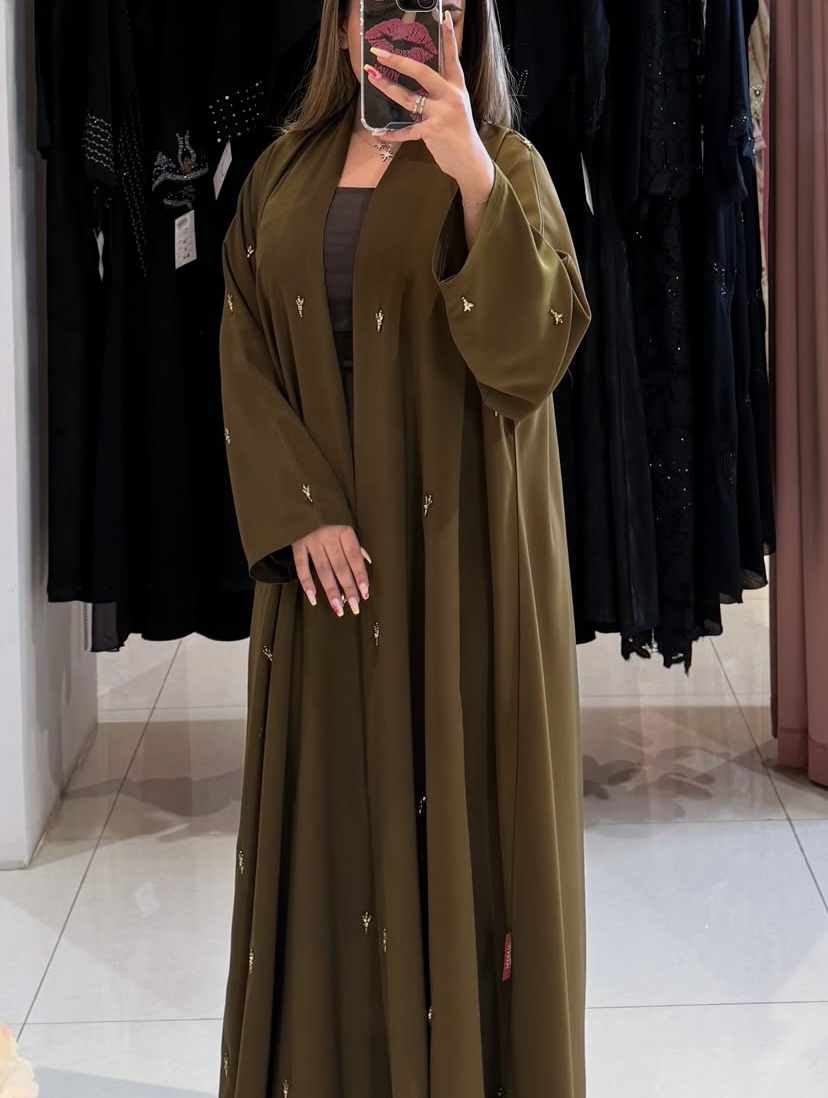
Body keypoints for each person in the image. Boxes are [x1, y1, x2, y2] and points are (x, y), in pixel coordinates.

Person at [218, 1, 591, 1095]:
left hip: (457, 578)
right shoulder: (281, 175)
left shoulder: (506, 167)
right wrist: (300, 507)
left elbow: (534, 356)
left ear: (464, 27)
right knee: (333, 847)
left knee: (463, 831)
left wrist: (468, 166)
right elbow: (242, 339)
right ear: (343, 25)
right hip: (327, 585)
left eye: (439, 7)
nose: (407, 31)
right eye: (381, 6)